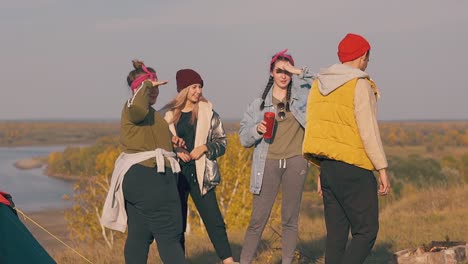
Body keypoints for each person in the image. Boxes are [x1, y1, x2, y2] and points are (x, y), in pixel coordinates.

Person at [302, 33, 391, 264]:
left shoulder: (319, 84)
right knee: (366, 232)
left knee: (336, 237)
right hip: (354, 168)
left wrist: (320, 168)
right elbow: (368, 131)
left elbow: (315, 129)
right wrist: (381, 168)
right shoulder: (360, 84)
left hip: (329, 169)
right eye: (368, 57)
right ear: (363, 56)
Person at [101, 60, 187, 264]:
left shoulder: (153, 116)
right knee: (169, 235)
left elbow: (150, 141)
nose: (155, 89)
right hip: (150, 180)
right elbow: (137, 110)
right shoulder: (133, 107)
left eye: (156, 84)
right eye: (151, 85)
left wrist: (173, 143)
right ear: (139, 88)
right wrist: (146, 85)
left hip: (143, 180)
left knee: (139, 235)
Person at [238, 49, 313, 264]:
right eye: (279, 70)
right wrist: (257, 130)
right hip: (267, 162)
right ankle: (244, 261)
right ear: (271, 73)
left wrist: (297, 70)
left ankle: (287, 261)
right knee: (257, 220)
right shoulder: (258, 105)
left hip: (296, 161)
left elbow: (321, 83)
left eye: (287, 71)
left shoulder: (302, 98)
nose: (283, 75)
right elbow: (243, 138)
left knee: (290, 219)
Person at [162, 69, 238, 264]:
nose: (198, 91)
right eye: (194, 87)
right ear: (183, 89)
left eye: (200, 86)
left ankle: (228, 261)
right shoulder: (166, 115)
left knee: (214, 220)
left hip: (202, 174)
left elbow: (222, 142)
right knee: (176, 224)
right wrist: (176, 151)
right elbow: (158, 143)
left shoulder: (209, 112)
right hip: (176, 175)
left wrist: (204, 147)